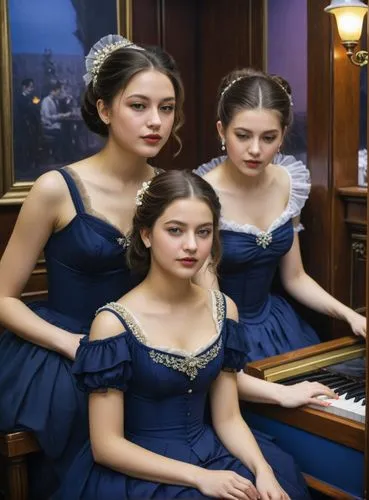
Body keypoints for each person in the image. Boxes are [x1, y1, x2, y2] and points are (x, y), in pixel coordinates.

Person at [0, 34, 184, 498]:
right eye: (139, 106)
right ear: (104, 110)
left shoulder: (170, 190)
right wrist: (71, 343)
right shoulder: (55, 188)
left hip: (142, 348)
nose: (155, 122)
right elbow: (1, 297)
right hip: (65, 353)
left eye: (167, 108)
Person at [60, 169, 310, 500]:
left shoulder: (224, 309)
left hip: (215, 455)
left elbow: (229, 418)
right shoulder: (112, 323)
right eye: (175, 231)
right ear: (146, 234)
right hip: (142, 474)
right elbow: (106, 447)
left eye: (203, 232)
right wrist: (199, 478)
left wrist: (263, 471)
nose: (191, 246)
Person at [194, 68, 366, 368]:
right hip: (221, 328)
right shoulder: (201, 195)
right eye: (243, 136)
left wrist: (350, 315)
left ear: (283, 136)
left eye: (269, 137)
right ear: (221, 131)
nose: (256, 150)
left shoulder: (289, 182)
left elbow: (295, 277)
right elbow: (209, 302)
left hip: (280, 324)